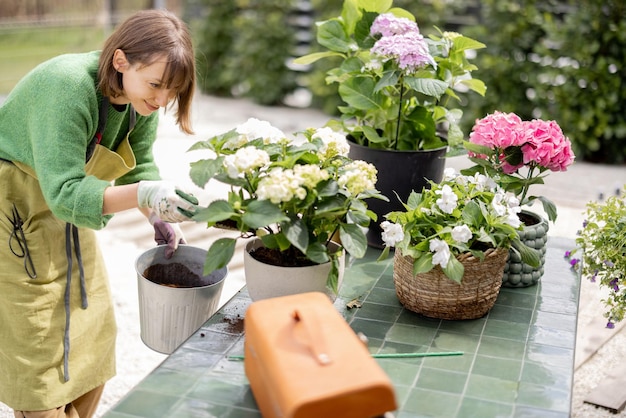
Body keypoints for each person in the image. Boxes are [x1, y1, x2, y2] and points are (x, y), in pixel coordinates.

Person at [0, 9, 199, 418]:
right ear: (121, 61)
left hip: (69, 199)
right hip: (14, 201)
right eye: (156, 85)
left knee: (88, 312)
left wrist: (155, 213)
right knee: (35, 327)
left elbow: (140, 163)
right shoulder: (68, 87)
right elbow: (67, 192)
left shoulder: (138, 100)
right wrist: (145, 193)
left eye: (172, 92)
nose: (161, 100)